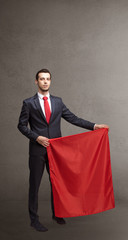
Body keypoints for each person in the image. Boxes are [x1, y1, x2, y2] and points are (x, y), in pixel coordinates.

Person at [18, 69, 109, 232]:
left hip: (56, 151)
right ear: (36, 82)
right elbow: (21, 126)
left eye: (47, 79)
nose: (45, 81)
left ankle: (57, 214)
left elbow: (73, 118)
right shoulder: (28, 103)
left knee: (57, 184)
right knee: (35, 185)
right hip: (37, 151)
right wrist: (36, 137)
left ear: (50, 81)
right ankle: (34, 219)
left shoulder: (58, 102)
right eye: (41, 79)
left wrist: (94, 126)